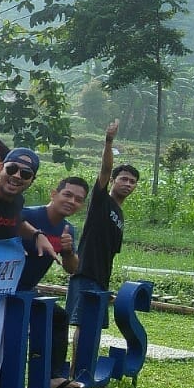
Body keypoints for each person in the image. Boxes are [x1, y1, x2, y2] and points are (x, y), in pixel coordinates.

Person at [67, 120, 138, 368]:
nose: (128, 184)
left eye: (132, 182)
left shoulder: (120, 215)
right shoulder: (101, 201)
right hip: (85, 273)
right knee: (84, 326)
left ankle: (85, 370)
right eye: (124, 179)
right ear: (114, 181)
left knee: (93, 327)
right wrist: (108, 142)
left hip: (100, 278)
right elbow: (105, 169)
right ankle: (77, 373)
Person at [17, 177, 89, 388]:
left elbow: (72, 268)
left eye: (78, 199)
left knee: (58, 316)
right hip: (4, 288)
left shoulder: (68, 229)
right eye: (67, 194)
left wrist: (68, 252)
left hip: (27, 291)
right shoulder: (27, 216)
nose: (71, 201)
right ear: (53, 194)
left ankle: (52, 377)